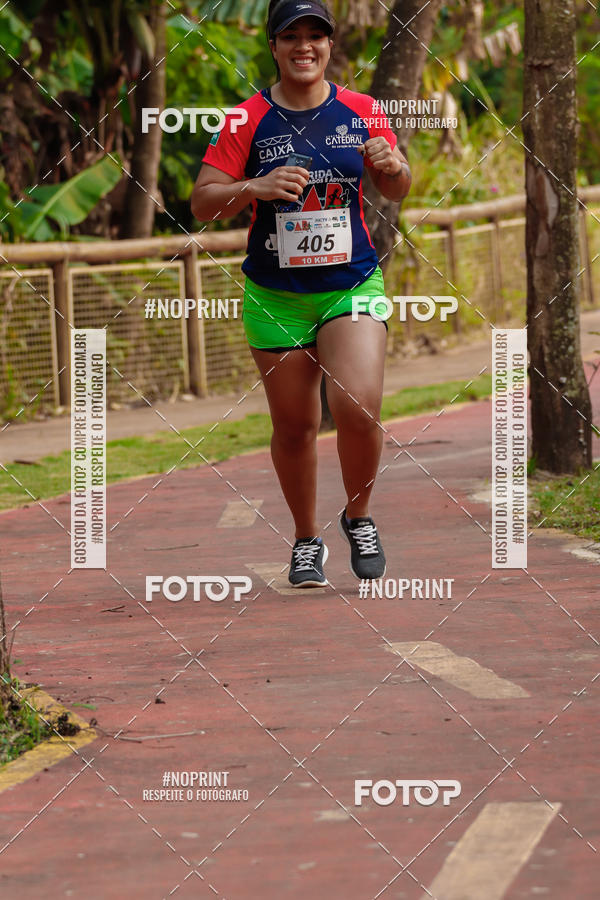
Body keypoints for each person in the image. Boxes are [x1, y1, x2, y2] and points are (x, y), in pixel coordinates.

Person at [191, 0, 411, 588]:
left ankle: (358, 516)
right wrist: (254, 185)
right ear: (274, 46)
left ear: (330, 45)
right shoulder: (244, 120)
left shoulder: (362, 110)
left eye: (316, 35)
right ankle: (307, 538)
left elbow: (397, 186)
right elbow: (203, 201)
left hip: (351, 284)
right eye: (292, 36)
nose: (305, 46)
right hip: (275, 293)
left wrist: (391, 164)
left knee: (358, 406)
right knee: (294, 427)